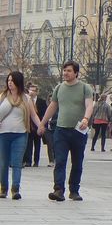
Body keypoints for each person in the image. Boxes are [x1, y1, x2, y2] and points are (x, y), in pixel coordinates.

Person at [37, 60, 94, 202]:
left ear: (76, 73)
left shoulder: (85, 88)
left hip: (78, 131)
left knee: (77, 162)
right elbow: (52, 106)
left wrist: (86, 119)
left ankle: (74, 190)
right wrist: (42, 123)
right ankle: (58, 190)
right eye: (64, 70)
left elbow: (89, 105)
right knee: (60, 161)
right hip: (61, 130)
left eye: (69, 71)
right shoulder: (59, 88)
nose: (65, 73)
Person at [0, 71, 43, 200]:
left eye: (12, 80)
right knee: (3, 163)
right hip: (3, 134)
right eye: (8, 80)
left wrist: (40, 126)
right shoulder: (2, 96)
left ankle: (15, 189)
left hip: (20, 134)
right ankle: (3, 188)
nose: (10, 83)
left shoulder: (26, 98)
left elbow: (33, 115)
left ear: (18, 82)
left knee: (17, 162)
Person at [23, 83, 47, 167]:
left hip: (37, 125)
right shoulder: (26, 100)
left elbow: (44, 114)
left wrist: (42, 125)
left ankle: (36, 161)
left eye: (33, 90)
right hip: (29, 126)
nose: (32, 92)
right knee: (29, 144)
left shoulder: (41, 101)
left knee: (37, 144)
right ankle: (28, 161)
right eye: (30, 90)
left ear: (37, 92)